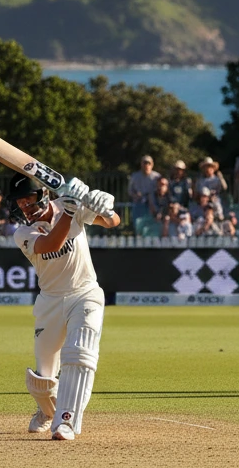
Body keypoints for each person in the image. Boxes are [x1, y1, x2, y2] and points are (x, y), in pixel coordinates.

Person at [9, 173, 120, 440]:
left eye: (29, 200)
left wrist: (103, 206)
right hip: (50, 301)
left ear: (44, 195)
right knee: (42, 381)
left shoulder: (67, 206)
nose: (25, 207)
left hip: (85, 292)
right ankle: (47, 411)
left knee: (79, 353)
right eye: (20, 203)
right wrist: (70, 211)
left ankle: (66, 421)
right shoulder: (23, 233)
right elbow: (51, 244)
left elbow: (112, 222)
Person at [129, 155, 160, 224]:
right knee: (138, 222)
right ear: (141, 164)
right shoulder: (135, 176)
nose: (147, 165)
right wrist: (136, 195)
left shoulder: (157, 176)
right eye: (145, 163)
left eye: (149, 163)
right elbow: (130, 191)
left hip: (152, 203)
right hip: (139, 202)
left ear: (152, 164)